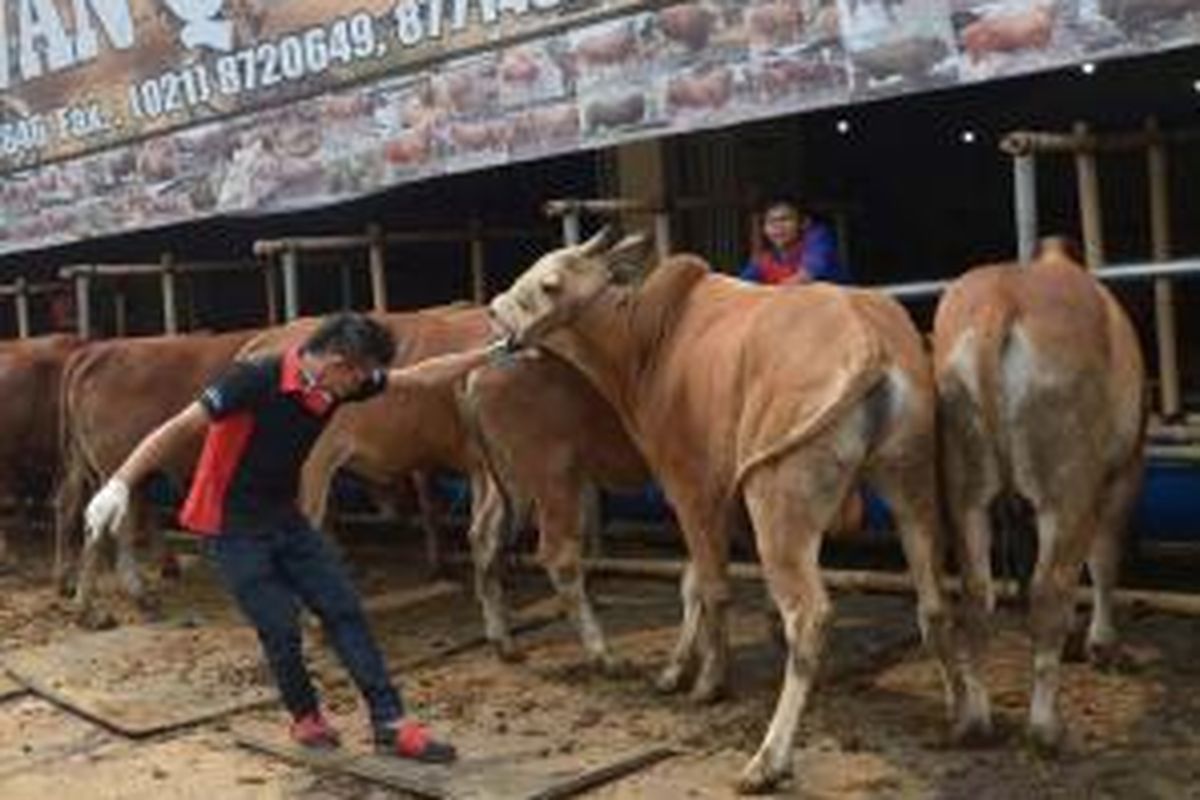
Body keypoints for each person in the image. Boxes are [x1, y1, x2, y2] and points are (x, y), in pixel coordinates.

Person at [84, 313, 513, 762]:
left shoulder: (337, 383)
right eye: (362, 375)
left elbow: (421, 379)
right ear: (338, 362)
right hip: (230, 526)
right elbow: (178, 427)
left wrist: (491, 353)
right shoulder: (253, 379)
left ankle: (390, 722)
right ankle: (305, 717)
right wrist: (120, 483)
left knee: (344, 609)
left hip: (284, 517)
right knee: (280, 628)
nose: (365, 386)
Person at [739, 199, 850, 286]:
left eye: (785, 219)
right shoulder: (764, 257)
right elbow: (744, 284)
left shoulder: (817, 238)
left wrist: (771, 294)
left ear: (804, 223)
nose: (777, 227)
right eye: (770, 222)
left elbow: (807, 276)